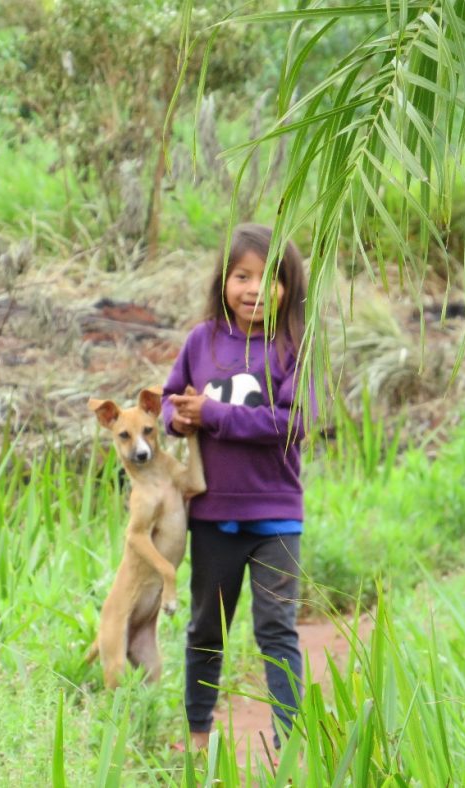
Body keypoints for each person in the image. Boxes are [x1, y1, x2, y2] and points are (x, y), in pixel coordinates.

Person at [162, 222, 311, 751]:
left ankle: (289, 748)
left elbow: (292, 423)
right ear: (223, 281)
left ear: (289, 287)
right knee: (206, 630)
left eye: (268, 277)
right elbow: (167, 398)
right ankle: (197, 739)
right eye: (241, 275)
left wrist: (215, 414)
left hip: (275, 518)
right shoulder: (201, 341)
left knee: (276, 631)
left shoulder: (294, 346)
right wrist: (176, 420)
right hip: (212, 517)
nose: (253, 288)